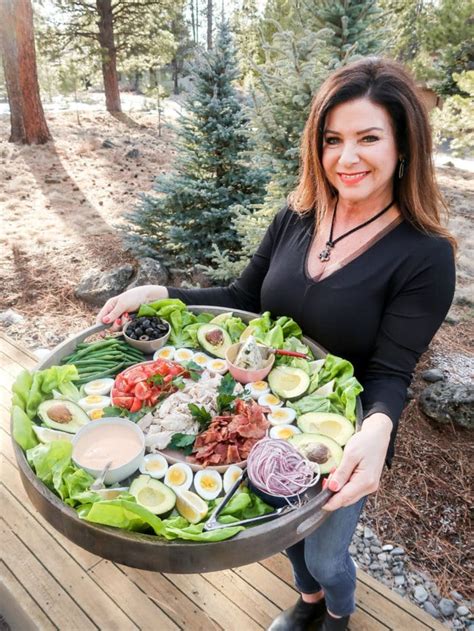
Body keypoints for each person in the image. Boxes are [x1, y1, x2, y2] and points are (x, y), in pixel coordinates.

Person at [97, 58, 456, 631]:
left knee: (324, 552)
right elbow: (244, 295)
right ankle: (308, 601)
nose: (347, 157)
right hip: (256, 414)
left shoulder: (426, 255)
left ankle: (337, 611)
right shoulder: (299, 212)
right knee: (281, 529)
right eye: (332, 139)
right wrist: (162, 290)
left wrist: (380, 427)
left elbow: (391, 371)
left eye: (369, 138)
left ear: (404, 143)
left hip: (345, 431)